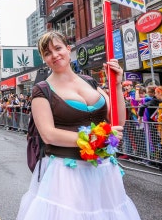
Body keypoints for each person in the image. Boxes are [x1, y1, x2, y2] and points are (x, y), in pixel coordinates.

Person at [16, 31, 139, 220]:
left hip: (103, 170)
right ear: (44, 59)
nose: (55, 55)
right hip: (66, 172)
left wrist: (116, 85)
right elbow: (49, 134)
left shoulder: (89, 81)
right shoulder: (42, 90)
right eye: (47, 53)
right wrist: (98, 138)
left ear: (68, 49)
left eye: (58, 48)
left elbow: (118, 122)